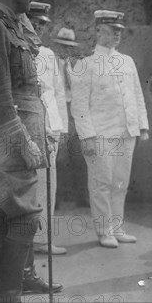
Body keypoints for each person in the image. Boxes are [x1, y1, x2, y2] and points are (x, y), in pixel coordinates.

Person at [0, 0, 49, 302]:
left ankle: (2, 292)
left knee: (2, 220)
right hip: (7, 146)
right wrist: (24, 141)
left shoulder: (12, 25)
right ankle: (8, 295)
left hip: (16, 142)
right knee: (23, 219)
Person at [71, 10, 149, 248]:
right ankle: (104, 231)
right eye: (111, 30)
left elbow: (136, 94)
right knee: (101, 183)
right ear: (97, 31)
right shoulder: (86, 64)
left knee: (120, 183)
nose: (117, 34)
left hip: (126, 132)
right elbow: (80, 105)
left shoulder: (127, 61)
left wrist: (142, 126)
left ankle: (117, 227)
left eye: (119, 31)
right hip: (101, 134)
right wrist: (87, 136)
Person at [24, 3, 68, 257]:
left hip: (49, 131)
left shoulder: (48, 55)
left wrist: (59, 128)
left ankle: (42, 239)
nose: (38, 29)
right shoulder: (13, 50)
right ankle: (24, 244)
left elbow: (58, 94)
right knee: (26, 189)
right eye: (34, 23)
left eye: (42, 25)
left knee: (47, 187)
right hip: (25, 131)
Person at [51, 27, 89, 209]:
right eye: (62, 46)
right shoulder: (50, 64)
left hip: (74, 113)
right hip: (58, 114)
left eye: (69, 47)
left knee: (80, 156)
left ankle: (82, 197)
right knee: (60, 158)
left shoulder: (74, 65)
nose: (65, 50)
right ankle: (56, 200)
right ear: (56, 45)